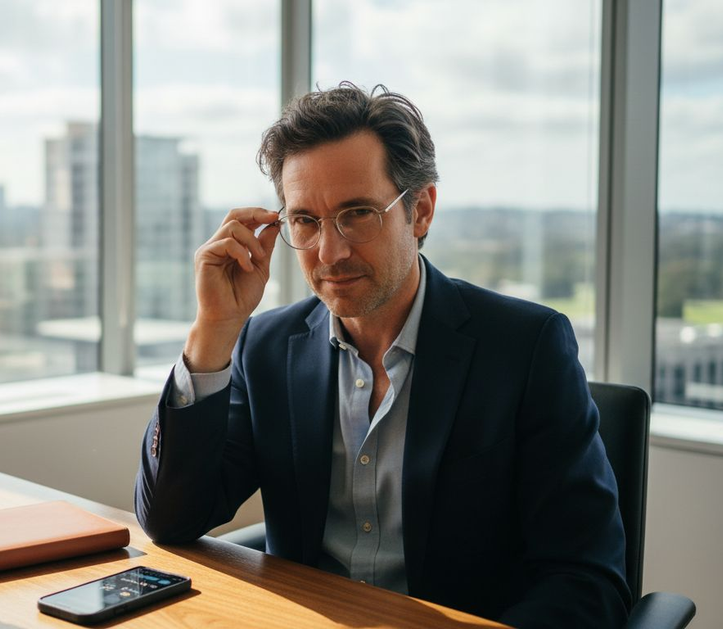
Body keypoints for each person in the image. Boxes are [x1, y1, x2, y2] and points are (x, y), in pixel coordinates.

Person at [134, 83, 630, 628]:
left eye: (357, 213)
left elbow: (587, 580)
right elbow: (170, 521)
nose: (331, 251)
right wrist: (214, 331)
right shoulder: (267, 348)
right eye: (305, 220)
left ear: (420, 211)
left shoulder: (527, 349)